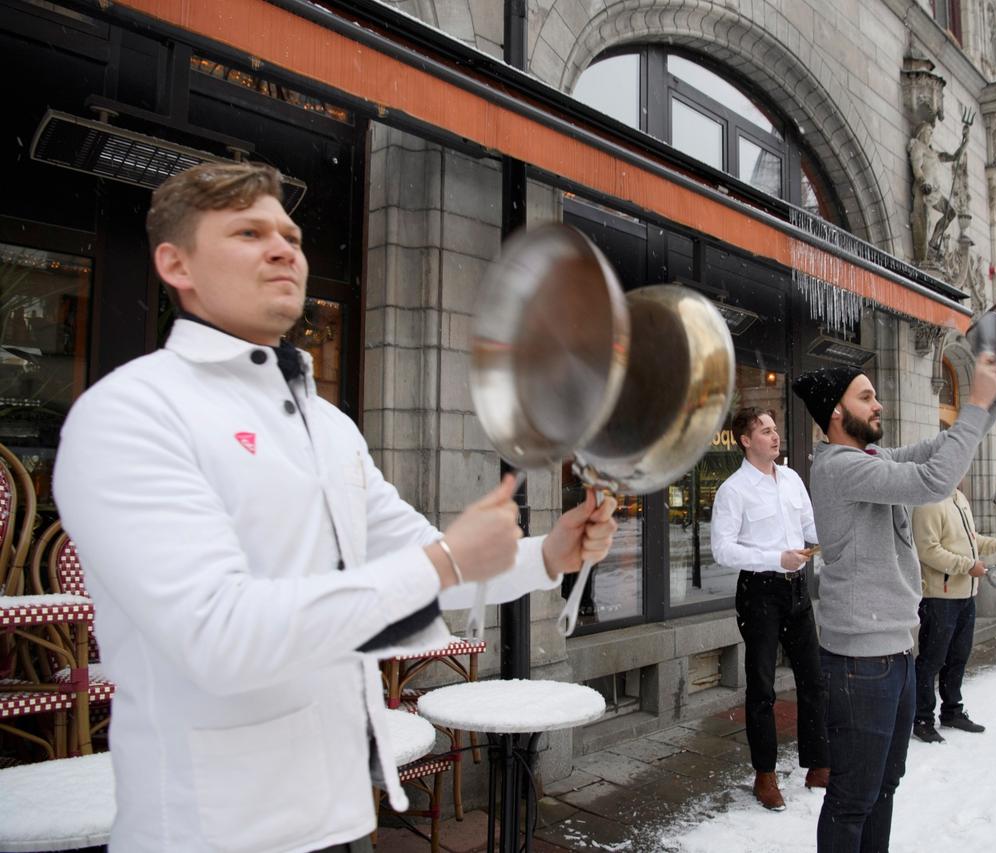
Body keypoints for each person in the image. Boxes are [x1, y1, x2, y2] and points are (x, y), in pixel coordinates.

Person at [51, 162, 618, 853]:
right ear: (176, 262)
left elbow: (415, 554)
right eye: (248, 231)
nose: (284, 247)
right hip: (212, 827)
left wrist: (547, 554)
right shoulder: (129, 412)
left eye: (290, 233)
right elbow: (218, 635)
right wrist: (442, 558)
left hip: (346, 814)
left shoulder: (329, 426)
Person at [793, 357, 996, 853]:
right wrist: (973, 402)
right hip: (860, 664)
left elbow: (935, 449)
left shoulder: (871, 461)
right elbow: (934, 479)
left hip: (894, 654)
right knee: (853, 798)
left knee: (883, 788)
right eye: (865, 396)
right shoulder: (840, 467)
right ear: (835, 413)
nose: (879, 403)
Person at [710, 407, 829, 811]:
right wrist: (775, 559)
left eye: (775, 429)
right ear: (745, 440)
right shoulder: (733, 490)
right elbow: (722, 549)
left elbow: (811, 528)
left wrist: (820, 544)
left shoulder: (793, 479)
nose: (775, 436)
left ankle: (818, 764)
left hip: (798, 590)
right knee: (762, 687)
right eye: (765, 431)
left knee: (813, 678)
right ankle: (765, 774)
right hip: (760, 592)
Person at [910, 488, 996, 744]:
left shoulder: (959, 498)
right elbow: (927, 550)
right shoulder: (928, 502)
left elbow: (971, 540)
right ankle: (922, 719)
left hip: (966, 594)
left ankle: (952, 711)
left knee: (958, 657)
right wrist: (967, 566)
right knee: (931, 660)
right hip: (939, 597)